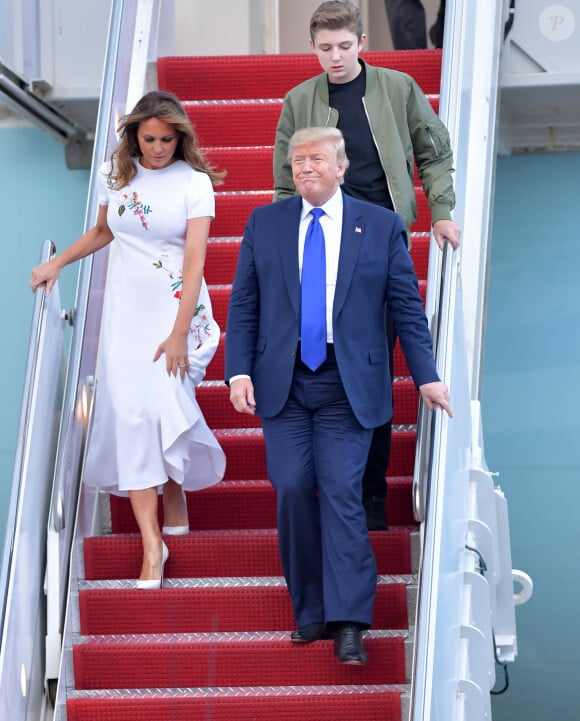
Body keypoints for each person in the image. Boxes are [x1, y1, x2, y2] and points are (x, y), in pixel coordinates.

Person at [226, 126, 452, 665]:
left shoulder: (379, 225)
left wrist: (426, 375)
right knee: (291, 487)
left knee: (343, 492)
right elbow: (244, 304)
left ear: (341, 166)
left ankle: (350, 620)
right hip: (283, 381)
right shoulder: (266, 222)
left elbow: (406, 308)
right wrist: (238, 373)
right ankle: (311, 612)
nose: (305, 167)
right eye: (297, 160)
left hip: (347, 384)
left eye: (317, 159)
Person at [273, 0, 461, 531]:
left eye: (344, 46)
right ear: (313, 48)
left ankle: (369, 494)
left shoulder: (397, 88)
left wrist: (441, 213)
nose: (335, 57)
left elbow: (434, 150)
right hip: (324, 248)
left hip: (381, 243)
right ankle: (328, 488)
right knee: (331, 372)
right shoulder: (297, 101)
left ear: (361, 43)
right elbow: (288, 184)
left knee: (372, 372)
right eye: (325, 48)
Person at [30, 90, 226, 589]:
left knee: (163, 404)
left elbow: (195, 260)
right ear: (134, 136)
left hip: (177, 307)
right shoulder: (113, 175)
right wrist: (58, 262)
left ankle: (175, 496)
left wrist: (179, 332)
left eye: (167, 139)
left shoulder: (194, 182)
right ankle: (151, 544)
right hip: (125, 310)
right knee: (135, 416)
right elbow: (103, 233)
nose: (158, 147)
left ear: (179, 137)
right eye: (149, 138)